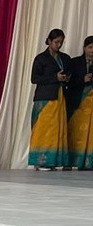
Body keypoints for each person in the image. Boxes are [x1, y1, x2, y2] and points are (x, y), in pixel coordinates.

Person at [29, 28, 72, 170]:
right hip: (44, 98)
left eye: (61, 42)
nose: (59, 45)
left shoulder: (65, 58)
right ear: (48, 41)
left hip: (60, 96)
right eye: (56, 42)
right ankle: (41, 161)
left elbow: (70, 74)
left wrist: (66, 78)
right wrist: (55, 77)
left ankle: (54, 161)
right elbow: (34, 79)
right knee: (44, 129)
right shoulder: (41, 58)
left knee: (57, 129)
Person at [67, 35, 93, 169]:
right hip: (78, 103)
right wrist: (82, 80)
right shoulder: (75, 62)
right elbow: (68, 82)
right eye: (90, 47)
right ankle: (74, 161)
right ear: (84, 48)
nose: (92, 50)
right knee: (77, 132)